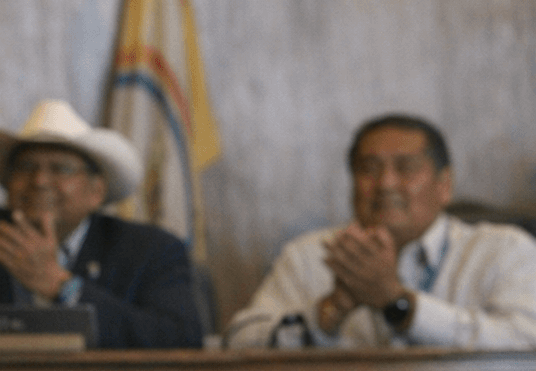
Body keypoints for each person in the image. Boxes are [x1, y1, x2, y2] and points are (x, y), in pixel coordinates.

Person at [0, 99, 204, 349]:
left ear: (96, 191)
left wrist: (61, 286)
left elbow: (182, 339)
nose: (40, 181)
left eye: (60, 168)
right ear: (8, 183)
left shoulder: (150, 250)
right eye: (26, 167)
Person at [224, 114, 536, 348]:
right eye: (369, 170)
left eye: (406, 168)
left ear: (444, 185)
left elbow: (526, 338)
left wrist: (398, 303)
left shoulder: (503, 249)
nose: (386, 184)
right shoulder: (311, 254)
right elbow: (237, 342)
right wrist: (329, 311)